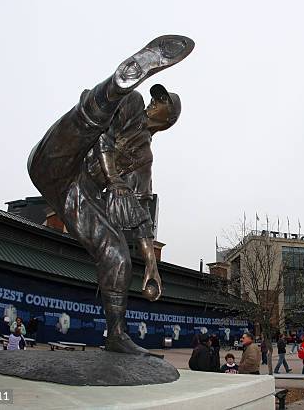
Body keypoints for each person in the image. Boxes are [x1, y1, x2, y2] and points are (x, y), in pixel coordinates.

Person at [27, 35, 194, 354]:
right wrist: (115, 179)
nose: (154, 102)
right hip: (60, 160)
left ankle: (116, 335)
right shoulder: (131, 104)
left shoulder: (144, 157)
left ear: (168, 120)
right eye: (156, 98)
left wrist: (151, 266)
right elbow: (103, 139)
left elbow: (141, 211)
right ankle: (116, 84)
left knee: (116, 255)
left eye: (162, 103)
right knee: (95, 116)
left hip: (75, 194)